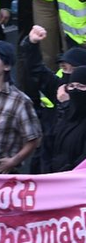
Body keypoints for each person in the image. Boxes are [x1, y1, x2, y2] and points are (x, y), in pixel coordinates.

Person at [0, 40, 41, 175]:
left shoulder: (19, 101)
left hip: (4, 179)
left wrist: (13, 161)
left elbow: (34, 138)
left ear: (6, 66)